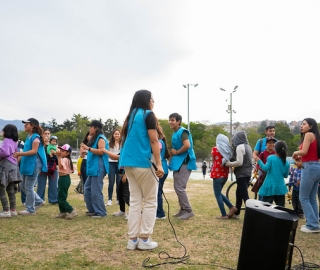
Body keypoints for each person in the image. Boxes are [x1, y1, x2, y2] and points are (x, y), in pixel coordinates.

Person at [119, 90, 164, 251]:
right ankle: (144, 239)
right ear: (146, 99)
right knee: (151, 201)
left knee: (135, 202)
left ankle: (132, 240)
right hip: (144, 163)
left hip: (129, 164)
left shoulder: (130, 117)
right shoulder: (148, 115)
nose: (153, 101)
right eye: (152, 98)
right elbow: (153, 139)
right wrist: (159, 164)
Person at [14, 118, 47, 215]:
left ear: (32, 126)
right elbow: (25, 151)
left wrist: (19, 154)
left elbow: (34, 151)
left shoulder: (36, 137)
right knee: (22, 185)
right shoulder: (29, 137)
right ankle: (39, 201)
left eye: (27, 124)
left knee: (28, 187)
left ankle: (30, 209)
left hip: (34, 165)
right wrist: (18, 159)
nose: (25, 125)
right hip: (27, 164)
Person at [292, 118, 320, 233]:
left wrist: (295, 153)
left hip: (309, 168)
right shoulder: (316, 137)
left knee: (303, 197)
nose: (301, 126)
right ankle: (315, 222)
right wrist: (301, 157)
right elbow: (309, 154)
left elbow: (303, 152)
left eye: (304, 124)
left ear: (311, 126)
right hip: (316, 166)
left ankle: (312, 225)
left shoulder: (308, 134)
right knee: (312, 198)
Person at [168, 112, 197, 220]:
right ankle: (183, 209)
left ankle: (188, 210)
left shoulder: (183, 132)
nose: (170, 122)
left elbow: (187, 145)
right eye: (169, 120)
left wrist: (177, 152)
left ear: (178, 121)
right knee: (177, 186)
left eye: (173, 120)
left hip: (185, 162)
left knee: (180, 187)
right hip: (178, 163)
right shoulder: (175, 133)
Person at [81, 120, 109, 218]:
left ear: (96, 128)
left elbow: (101, 151)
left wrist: (88, 149)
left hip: (98, 166)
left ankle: (101, 212)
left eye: (91, 127)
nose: (89, 129)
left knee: (96, 190)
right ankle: (93, 210)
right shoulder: (94, 139)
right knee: (87, 188)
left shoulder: (101, 138)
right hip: (93, 167)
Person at [225, 131, 252, 219]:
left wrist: (228, 163)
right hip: (248, 174)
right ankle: (237, 214)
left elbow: (239, 162)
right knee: (239, 194)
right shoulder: (248, 146)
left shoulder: (239, 147)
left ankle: (251, 215)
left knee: (244, 196)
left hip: (241, 174)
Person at [211, 134, 237, 219]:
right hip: (225, 175)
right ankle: (232, 207)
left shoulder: (215, 149)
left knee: (217, 194)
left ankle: (223, 214)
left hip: (217, 175)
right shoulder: (229, 151)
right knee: (219, 193)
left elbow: (214, 160)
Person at [255, 141, 290, 206]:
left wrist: (259, 161)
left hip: (269, 186)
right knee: (281, 208)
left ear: (275, 149)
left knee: (266, 207)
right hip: (280, 187)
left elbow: (265, 168)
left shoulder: (271, 158)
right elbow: (286, 175)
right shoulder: (286, 162)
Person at [0, 124, 22, 217]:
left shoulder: (6, 140)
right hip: (14, 165)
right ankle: (13, 210)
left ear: (6, 131)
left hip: (6, 165)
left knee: (1, 188)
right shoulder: (14, 141)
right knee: (11, 189)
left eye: (3, 130)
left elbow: (4, 152)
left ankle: (6, 211)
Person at [55, 144, 78, 219]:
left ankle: (71, 210)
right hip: (63, 178)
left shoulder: (65, 159)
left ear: (68, 153)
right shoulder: (66, 159)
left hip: (64, 179)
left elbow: (61, 166)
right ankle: (63, 212)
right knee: (61, 196)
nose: (60, 152)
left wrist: (58, 156)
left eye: (63, 151)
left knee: (61, 199)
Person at [37, 130, 59, 204]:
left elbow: (59, 155)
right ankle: (39, 199)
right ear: (42, 135)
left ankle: (53, 200)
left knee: (53, 183)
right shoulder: (39, 144)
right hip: (42, 166)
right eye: (45, 133)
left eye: (48, 133)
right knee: (41, 184)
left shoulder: (54, 145)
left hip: (53, 166)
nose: (47, 135)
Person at [156, 127, 170, 219]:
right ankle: (159, 212)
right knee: (158, 192)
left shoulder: (159, 143)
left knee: (158, 192)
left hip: (161, 170)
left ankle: (160, 213)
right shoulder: (161, 142)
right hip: (164, 169)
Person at [106, 129, 121, 206]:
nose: (117, 135)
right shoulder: (109, 143)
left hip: (119, 164)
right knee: (111, 182)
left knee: (119, 183)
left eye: (118, 134)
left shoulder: (122, 143)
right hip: (111, 163)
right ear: (113, 135)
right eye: (115, 134)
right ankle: (109, 199)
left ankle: (118, 199)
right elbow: (107, 153)